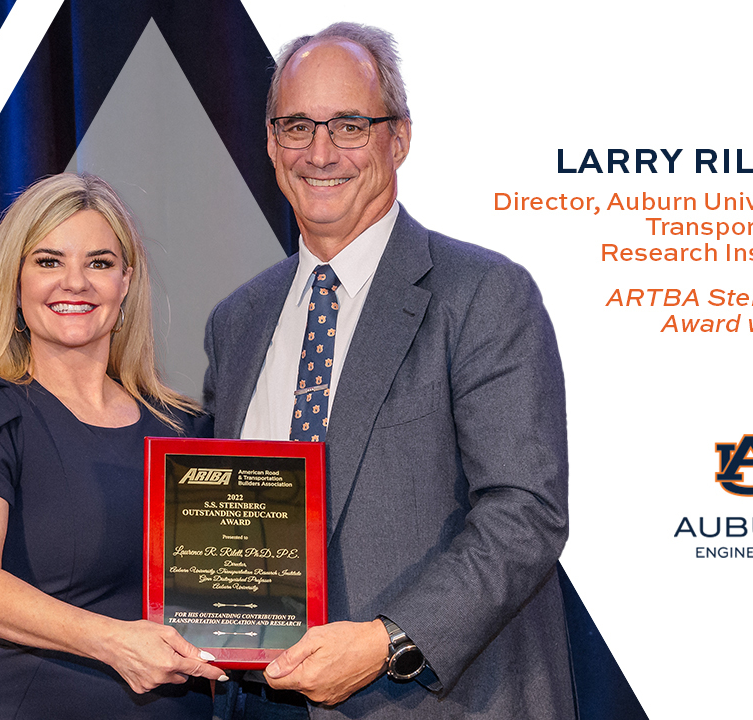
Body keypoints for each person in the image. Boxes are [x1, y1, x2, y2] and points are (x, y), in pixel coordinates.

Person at [203, 23, 573, 719]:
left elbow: (525, 512)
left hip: (431, 701)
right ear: (272, 142)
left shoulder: (483, 294)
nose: (319, 152)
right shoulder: (237, 321)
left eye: (349, 124)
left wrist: (387, 641)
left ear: (397, 138)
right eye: (296, 126)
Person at [0, 172, 226, 719]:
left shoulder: (186, 428)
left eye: (99, 263)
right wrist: (116, 642)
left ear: (126, 281)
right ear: (15, 280)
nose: (75, 283)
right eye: (49, 261)